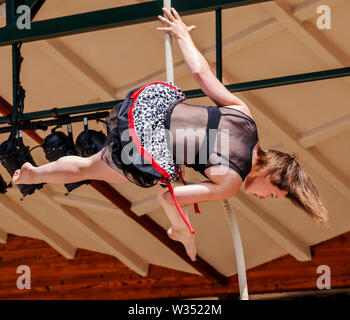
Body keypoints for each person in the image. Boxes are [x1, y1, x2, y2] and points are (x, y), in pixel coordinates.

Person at [11, 8, 328, 262]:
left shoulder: (245, 117)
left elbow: (202, 74)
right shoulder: (231, 182)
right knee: (92, 169)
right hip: (146, 145)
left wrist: (181, 36)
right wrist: (183, 232)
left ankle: (33, 172)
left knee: (93, 166)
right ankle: (33, 174)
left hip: (147, 113)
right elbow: (169, 198)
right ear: (272, 176)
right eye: (272, 194)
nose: (263, 198)